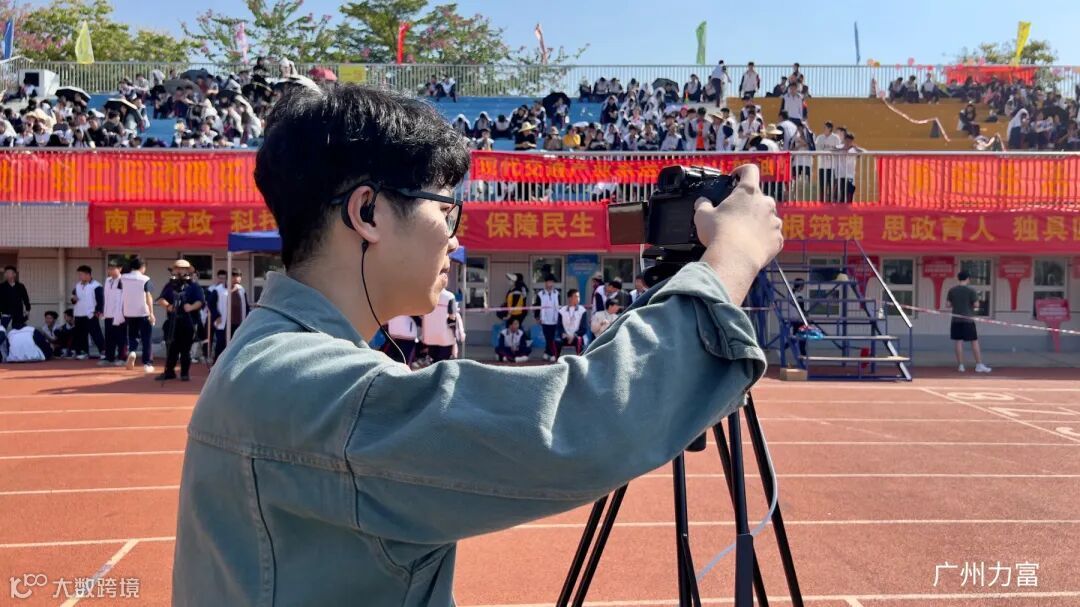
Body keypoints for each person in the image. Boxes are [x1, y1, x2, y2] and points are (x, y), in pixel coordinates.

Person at [172, 84, 781, 606]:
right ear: (368, 212)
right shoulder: (309, 386)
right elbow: (581, 424)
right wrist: (731, 260)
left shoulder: (273, 358)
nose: (455, 241)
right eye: (448, 211)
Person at [155, 260, 205, 381]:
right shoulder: (170, 285)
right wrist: (168, 306)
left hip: (188, 321)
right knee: (171, 348)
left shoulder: (194, 286)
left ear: (187, 270)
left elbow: (200, 301)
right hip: (173, 320)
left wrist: (191, 307)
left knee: (185, 349)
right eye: (177, 268)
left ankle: (184, 373)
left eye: (182, 269)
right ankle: (169, 372)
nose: (179, 271)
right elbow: (161, 299)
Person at [946, 271, 991, 373]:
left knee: (958, 342)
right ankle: (979, 365)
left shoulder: (952, 290)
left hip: (956, 319)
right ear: (967, 279)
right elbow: (976, 305)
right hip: (968, 320)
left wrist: (957, 304)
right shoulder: (971, 290)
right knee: (974, 341)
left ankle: (961, 366)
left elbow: (948, 305)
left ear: (958, 279)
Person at [121, 257, 156, 373]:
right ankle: (147, 363)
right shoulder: (145, 279)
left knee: (132, 335)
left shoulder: (123, 278)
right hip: (143, 312)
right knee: (146, 338)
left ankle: (132, 352)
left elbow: (120, 292)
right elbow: (148, 296)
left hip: (128, 312)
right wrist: (152, 313)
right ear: (142, 267)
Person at [70, 265, 105, 360]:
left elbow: (101, 300)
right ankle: (83, 352)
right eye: (79, 274)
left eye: (81, 274)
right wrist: (73, 299)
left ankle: (103, 351)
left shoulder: (96, 285)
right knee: (81, 334)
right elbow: (73, 298)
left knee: (96, 333)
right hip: (79, 313)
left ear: (88, 274)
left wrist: (98, 311)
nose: (79, 276)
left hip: (91, 313)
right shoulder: (78, 285)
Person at [420, 288, 460, 363]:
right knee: (444, 362)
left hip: (430, 336)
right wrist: (455, 333)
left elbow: (422, 315)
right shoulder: (449, 296)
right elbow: (452, 317)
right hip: (445, 336)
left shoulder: (427, 296)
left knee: (433, 362)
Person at [100, 260, 126, 366]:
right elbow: (106, 297)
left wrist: (121, 312)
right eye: (109, 268)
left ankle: (122, 357)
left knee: (120, 337)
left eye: (112, 268)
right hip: (108, 313)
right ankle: (109, 357)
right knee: (109, 337)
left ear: (120, 269)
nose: (110, 271)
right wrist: (103, 311)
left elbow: (123, 298)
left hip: (119, 314)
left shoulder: (123, 280)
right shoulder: (108, 280)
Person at [533, 274, 561, 362]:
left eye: (552, 282)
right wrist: (537, 317)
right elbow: (537, 306)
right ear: (545, 283)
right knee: (547, 337)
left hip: (554, 319)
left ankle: (548, 353)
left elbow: (559, 306)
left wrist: (559, 318)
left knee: (552, 338)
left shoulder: (557, 293)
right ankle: (550, 353)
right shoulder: (540, 294)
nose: (550, 284)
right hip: (544, 320)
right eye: (549, 282)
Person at [555, 288, 588, 360]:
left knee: (579, 340)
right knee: (556, 340)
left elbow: (583, 328)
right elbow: (559, 326)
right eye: (576, 296)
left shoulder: (582, 310)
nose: (578, 299)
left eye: (578, 297)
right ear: (570, 298)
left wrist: (574, 335)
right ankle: (557, 360)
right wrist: (565, 334)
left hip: (577, 335)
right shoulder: (562, 310)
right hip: (565, 336)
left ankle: (579, 361)